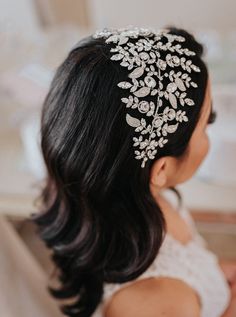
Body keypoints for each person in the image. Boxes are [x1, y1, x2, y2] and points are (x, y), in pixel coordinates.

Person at [31, 26, 236, 317]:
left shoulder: (126, 196)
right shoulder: (159, 302)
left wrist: (215, 278)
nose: (209, 134)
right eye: (207, 123)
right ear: (161, 169)